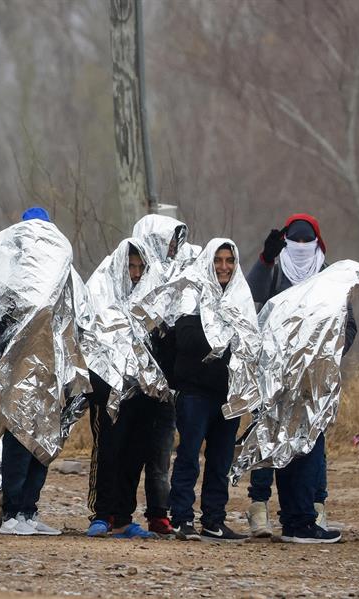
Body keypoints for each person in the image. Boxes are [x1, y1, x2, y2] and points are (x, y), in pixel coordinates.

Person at [245, 214, 352, 543]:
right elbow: (252, 299)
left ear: (318, 244)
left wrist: (325, 357)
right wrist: (265, 260)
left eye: (308, 242)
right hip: (274, 379)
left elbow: (348, 326)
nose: (302, 248)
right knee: (268, 439)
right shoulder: (277, 270)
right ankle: (260, 507)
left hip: (312, 383)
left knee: (310, 447)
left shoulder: (328, 278)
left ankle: (308, 512)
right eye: (297, 242)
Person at [170, 240, 249, 542]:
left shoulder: (241, 295)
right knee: (189, 456)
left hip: (229, 394)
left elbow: (250, 340)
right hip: (195, 392)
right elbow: (187, 338)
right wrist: (224, 342)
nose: (224, 266)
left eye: (230, 260)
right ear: (209, 262)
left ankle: (214, 521)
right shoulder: (193, 292)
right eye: (218, 260)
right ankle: (181, 519)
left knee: (221, 461)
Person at [131, 214, 198, 536]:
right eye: (168, 240)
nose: (173, 247)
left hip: (168, 385)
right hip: (131, 385)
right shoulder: (129, 274)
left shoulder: (180, 277)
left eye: (176, 241)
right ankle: (115, 514)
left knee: (160, 456)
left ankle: (159, 513)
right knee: (126, 454)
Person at [84, 242, 157, 539]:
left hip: (143, 391)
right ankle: (101, 514)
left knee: (135, 453)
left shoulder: (151, 296)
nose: (136, 273)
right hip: (109, 389)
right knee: (108, 451)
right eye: (131, 267)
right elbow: (89, 339)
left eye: (141, 267)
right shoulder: (100, 293)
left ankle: (124, 517)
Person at [0, 206, 62, 537]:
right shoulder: (10, 274)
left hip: (51, 374)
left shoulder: (63, 274)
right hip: (20, 372)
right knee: (19, 441)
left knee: (45, 443)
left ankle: (28, 511)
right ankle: (11, 513)